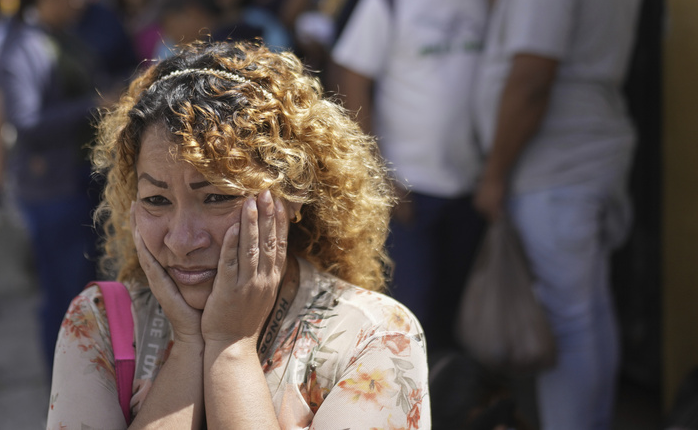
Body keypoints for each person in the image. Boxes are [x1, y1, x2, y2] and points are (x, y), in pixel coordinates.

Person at [47, 41, 430, 428]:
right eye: (156, 200)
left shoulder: (375, 339)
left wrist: (231, 346)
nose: (181, 240)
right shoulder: (98, 324)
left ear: (292, 195)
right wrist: (187, 347)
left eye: (216, 197)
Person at [472, 0, 643, 430]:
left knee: (568, 318)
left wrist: (494, 175)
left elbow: (531, 79)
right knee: (588, 312)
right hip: (587, 159)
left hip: (554, 171)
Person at [332, 0, 488, 354]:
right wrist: (380, 176)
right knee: (411, 321)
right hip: (411, 194)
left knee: (460, 317)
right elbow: (351, 84)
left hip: (471, 188)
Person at [0, 0, 103, 367]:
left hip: (79, 180)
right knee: (65, 300)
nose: (83, 0)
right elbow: (25, 122)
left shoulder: (65, 36)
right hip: (54, 189)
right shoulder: (22, 47)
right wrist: (94, 104)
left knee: (86, 293)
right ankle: (65, 393)